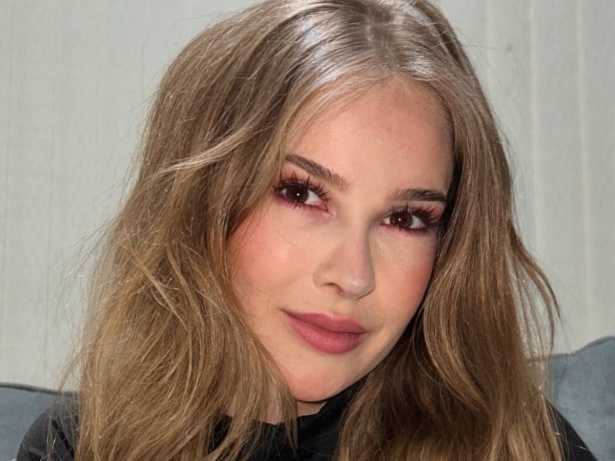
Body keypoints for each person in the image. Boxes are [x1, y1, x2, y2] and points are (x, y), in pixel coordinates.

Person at [17, 0, 596, 460]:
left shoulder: (515, 443)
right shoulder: (83, 446)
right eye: (302, 194)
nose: (353, 275)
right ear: (202, 199)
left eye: (406, 219)